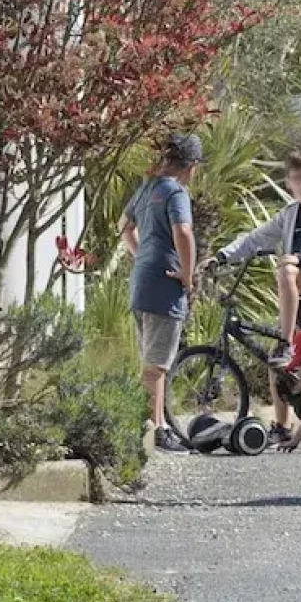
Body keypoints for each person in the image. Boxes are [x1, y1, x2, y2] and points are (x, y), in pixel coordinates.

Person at [213, 150, 301, 443]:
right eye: (296, 179)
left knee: (287, 269)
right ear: (288, 182)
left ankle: (286, 342)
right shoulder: (290, 213)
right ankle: (281, 426)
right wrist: (223, 255)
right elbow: (256, 238)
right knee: (276, 361)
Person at [118, 133, 203, 454]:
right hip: (164, 286)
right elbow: (183, 231)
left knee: (155, 362)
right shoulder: (175, 192)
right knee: (155, 366)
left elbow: (123, 226)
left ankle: (162, 426)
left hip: (141, 283)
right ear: (190, 166)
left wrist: (140, 255)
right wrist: (187, 271)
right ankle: (154, 431)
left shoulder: (146, 188)